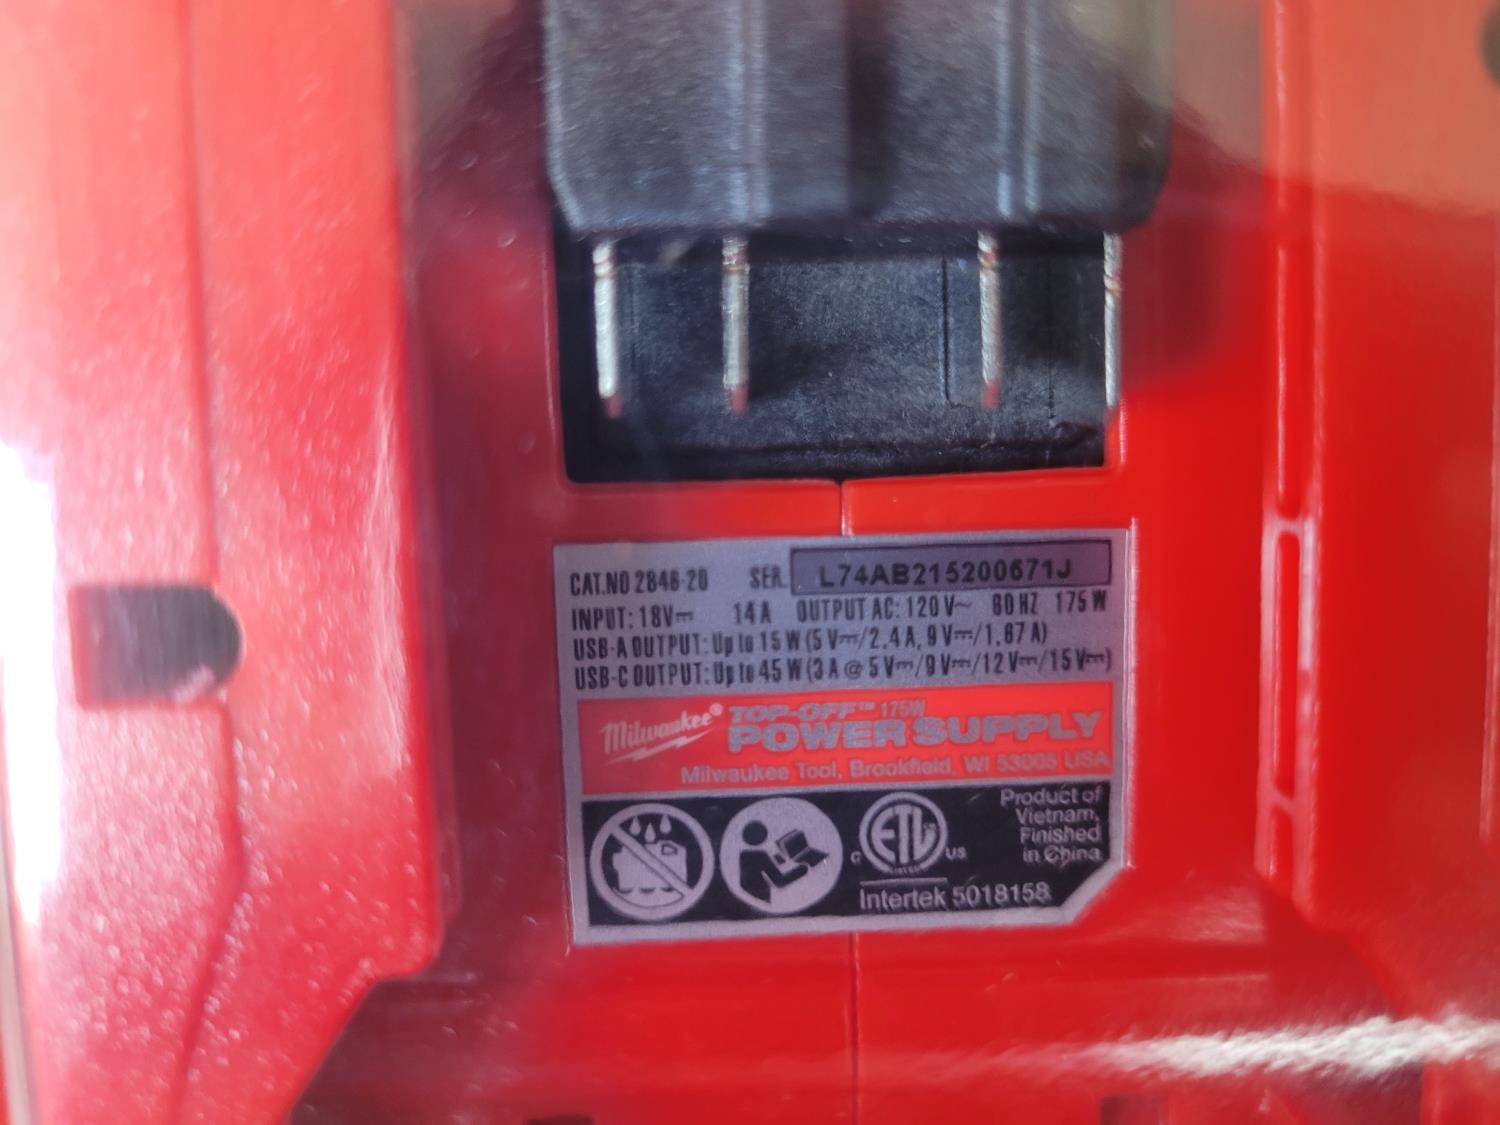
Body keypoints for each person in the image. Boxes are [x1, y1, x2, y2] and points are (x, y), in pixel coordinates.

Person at [736, 820, 808, 904]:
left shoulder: (743, 855)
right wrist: (803, 869)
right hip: (761, 898)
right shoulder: (760, 855)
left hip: (752, 898)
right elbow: (780, 882)